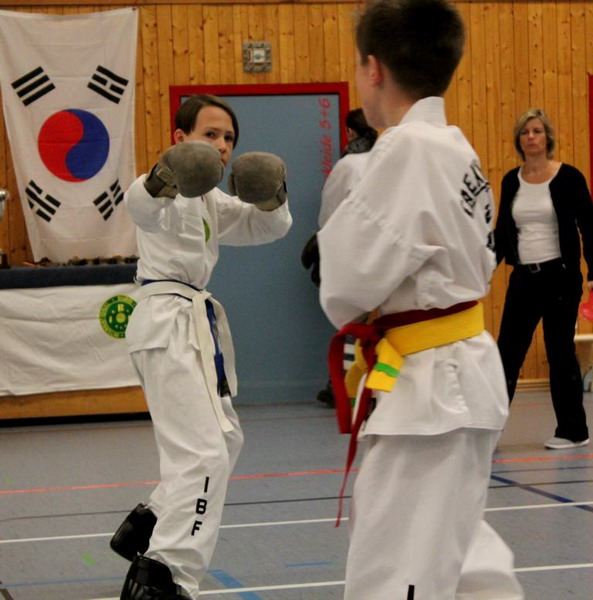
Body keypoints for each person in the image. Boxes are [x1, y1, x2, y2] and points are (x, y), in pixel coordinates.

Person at [317, 1, 524, 598]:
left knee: (395, 572)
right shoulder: (454, 146)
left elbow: (346, 286)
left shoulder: (406, 151)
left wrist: (343, 206)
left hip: (432, 393)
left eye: (358, 66)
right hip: (454, 377)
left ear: (373, 68)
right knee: (464, 562)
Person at [110, 94, 292, 599]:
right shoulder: (161, 192)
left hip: (190, 322)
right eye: (210, 134)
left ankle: (148, 523)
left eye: (229, 138)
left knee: (224, 440)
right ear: (179, 139)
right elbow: (139, 204)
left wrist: (273, 195)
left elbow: (267, 226)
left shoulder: (213, 201)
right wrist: (165, 175)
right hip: (168, 320)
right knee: (204, 452)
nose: (222, 145)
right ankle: (165, 573)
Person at [495, 108, 592, 450]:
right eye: (525, 132)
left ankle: (573, 430)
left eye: (537, 131)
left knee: (560, 351)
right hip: (524, 277)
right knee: (506, 352)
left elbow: (588, 227)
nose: (531, 137)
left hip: (560, 277)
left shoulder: (569, 177)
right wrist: (481, 267)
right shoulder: (511, 180)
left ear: (548, 137)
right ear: (519, 140)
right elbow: (504, 234)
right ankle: (488, 430)